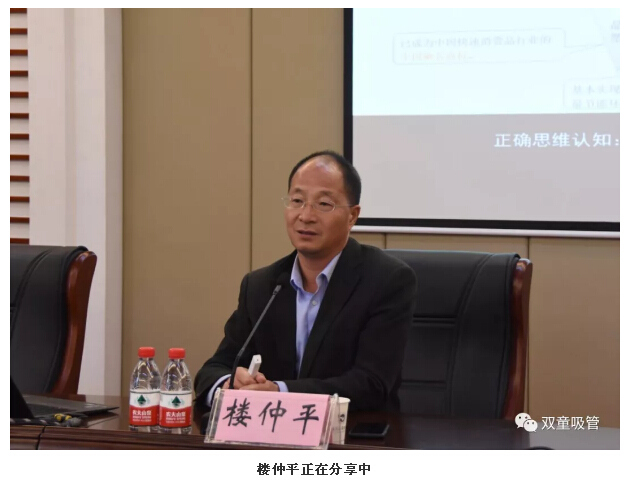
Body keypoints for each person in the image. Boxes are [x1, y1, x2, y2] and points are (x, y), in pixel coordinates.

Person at [194, 150, 417, 413]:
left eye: (323, 204)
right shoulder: (261, 286)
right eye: (297, 201)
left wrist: (281, 393)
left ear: (352, 216)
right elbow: (213, 369)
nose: (306, 215)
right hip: (269, 432)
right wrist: (230, 383)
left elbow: (372, 384)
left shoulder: (387, 281)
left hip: (351, 432)